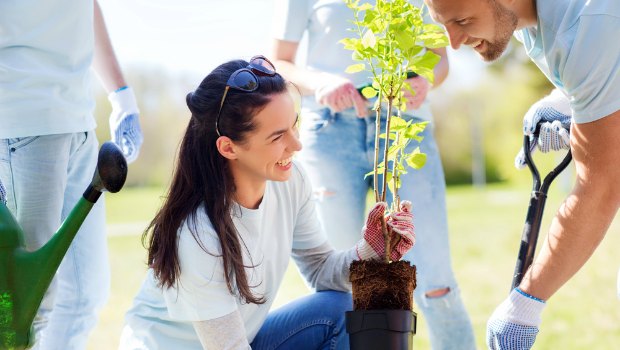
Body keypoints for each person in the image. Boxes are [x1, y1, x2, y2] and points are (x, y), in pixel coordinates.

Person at [119, 57, 415, 349]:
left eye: (294, 126)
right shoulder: (199, 236)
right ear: (229, 147)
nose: (297, 145)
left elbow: (321, 270)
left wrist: (373, 250)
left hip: (240, 342)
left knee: (341, 309)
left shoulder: (291, 181)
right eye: (277, 137)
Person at [270, 1, 476, 348]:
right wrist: (320, 81)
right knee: (340, 285)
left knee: (436, 282)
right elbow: (278, 62)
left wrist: (424, 80)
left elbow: (439, 60)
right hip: (331, 131)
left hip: (404, 129)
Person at [422, 0, 620, 348]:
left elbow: (602, 186)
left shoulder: (588, 24)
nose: (452, 42)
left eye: (463, 20)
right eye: (445, 25)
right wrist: (564, 102)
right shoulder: (533, 27)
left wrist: (526, 304)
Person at [0, 0, 143, 348]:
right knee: (24, 308)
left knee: (83, 294)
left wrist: (121, 94)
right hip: (21, 119)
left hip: (77, 119)